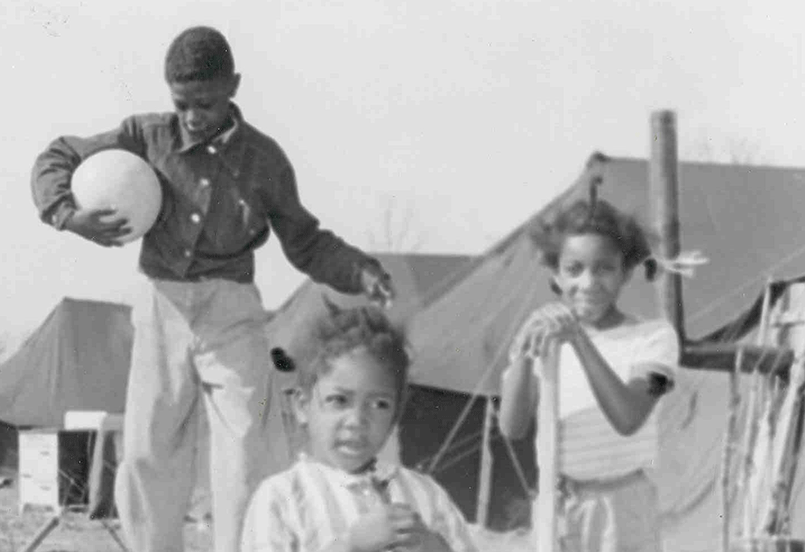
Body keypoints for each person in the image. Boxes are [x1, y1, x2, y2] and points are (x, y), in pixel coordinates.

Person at [30, 25, 394, 552]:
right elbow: (57, 156)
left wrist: (362, 273)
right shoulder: (145, 135)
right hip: (163, 306)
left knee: (250, 448)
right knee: (148, 450)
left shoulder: (264, 160)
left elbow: (306, 241)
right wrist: (68, 214)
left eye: (205, 103)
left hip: (232, 310)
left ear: (233, 87)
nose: (193, 116)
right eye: (182, 104)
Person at [496, 197, 679, 552]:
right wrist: (523, 349)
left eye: (604, 269)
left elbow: (628, 417)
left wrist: (579, 339)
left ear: (625, 273)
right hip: (558, 503)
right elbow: (511, 427)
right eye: (575, 269)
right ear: (556, 276)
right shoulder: (547, 339)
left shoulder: (656, 339)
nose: (589, 282)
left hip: (621, 506)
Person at [241, 306, 476, 552]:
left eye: (378, 405)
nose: (357, 420)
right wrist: (349, 546)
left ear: (395, 414)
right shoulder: (281, 498)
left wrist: (438, 548)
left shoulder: (425, 494)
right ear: (302, 406)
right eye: (339, 400)